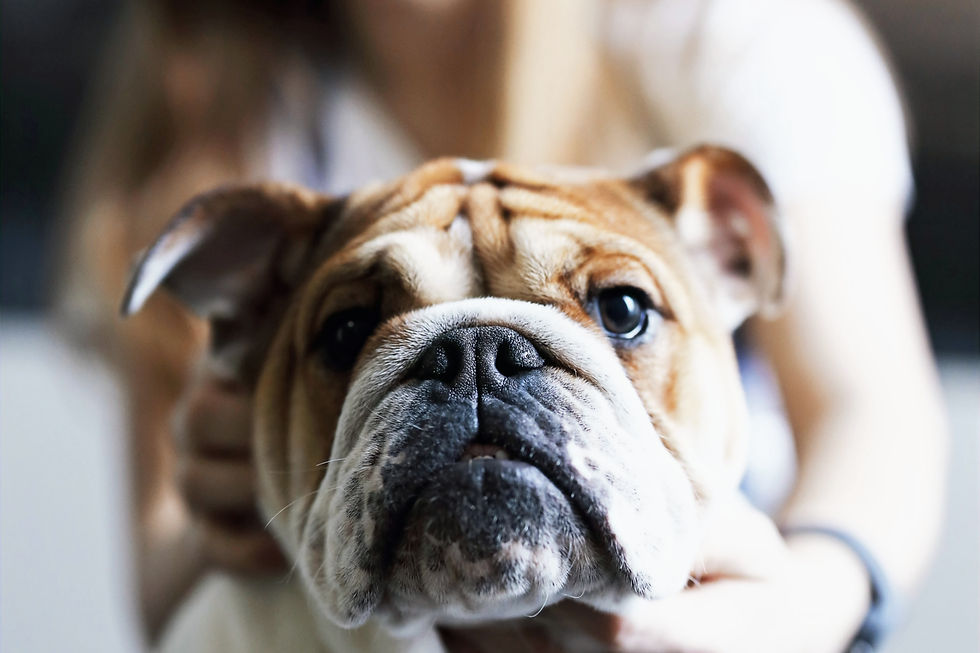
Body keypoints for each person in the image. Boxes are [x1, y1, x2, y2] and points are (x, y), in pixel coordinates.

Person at [61, 0, 947, 650]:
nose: (482, 377)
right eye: (352, 331)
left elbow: (871, 407)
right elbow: (164, 591)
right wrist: (230, 500)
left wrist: (789, 616)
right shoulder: (202, 95)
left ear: (740, 245)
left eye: (619, 308)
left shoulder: (723, 28)